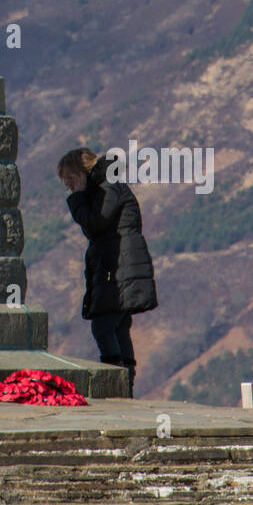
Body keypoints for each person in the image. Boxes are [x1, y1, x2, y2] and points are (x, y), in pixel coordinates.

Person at [57, 146, 158, 398]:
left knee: (105, 326)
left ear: (82, 173)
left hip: (119, 267)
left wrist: (78, 197)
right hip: (116, 265)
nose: (68, 185)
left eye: (70, 178)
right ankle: (124, 388)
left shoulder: (108, 187)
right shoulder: (104, 187)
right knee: (118, 325)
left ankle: (116, 386)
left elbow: (95, 223)